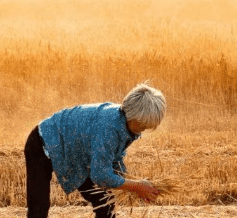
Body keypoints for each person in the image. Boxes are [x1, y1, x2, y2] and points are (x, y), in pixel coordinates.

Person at [24, 83, 167, 218]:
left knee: (105, 203)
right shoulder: (109, 128)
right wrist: (135, 186)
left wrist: (134, 185)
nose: (145, 128)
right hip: (42, 143)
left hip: (77, 154)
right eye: (143, 124)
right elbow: (101, 175)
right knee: (39, 208)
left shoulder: (126, 123)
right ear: (132, 114)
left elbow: (111, 158)